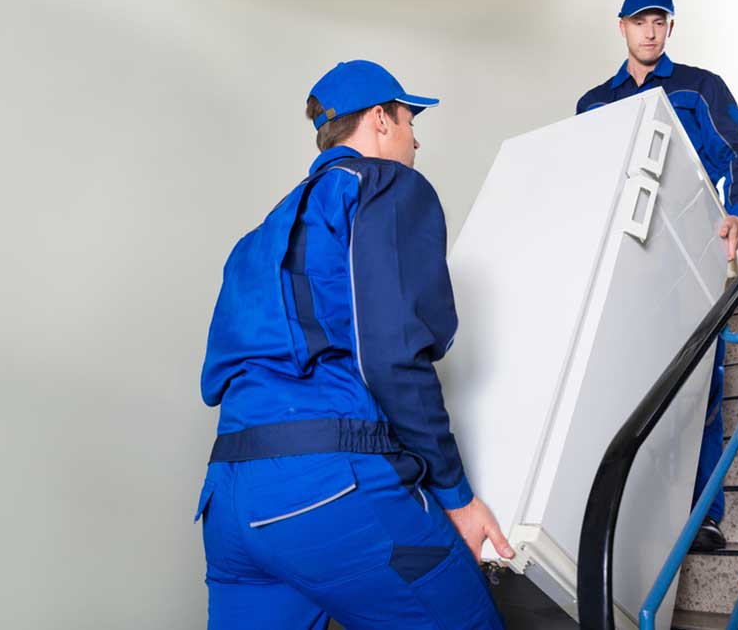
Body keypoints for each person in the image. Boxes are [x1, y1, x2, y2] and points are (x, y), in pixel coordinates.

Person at [194, 59, 513, 629]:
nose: (418, 140)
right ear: (380, 120)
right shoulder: (382, 185)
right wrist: (458, 498)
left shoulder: (263, 230)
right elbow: (392, 355)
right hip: (327, 487)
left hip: (229, 500)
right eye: (410, 121)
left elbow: (218, 377)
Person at [577, 0, 738, 552]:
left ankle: (702, 515)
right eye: (640, 22)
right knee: (623, 380)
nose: (650, 32)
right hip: (621, 257)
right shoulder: (593, 103)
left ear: (670, 28)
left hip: (690, 247)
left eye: (660, 21)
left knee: (699, 381)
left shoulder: (700, 87)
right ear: (623, 28)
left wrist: (737, 211)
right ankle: (627, 523)